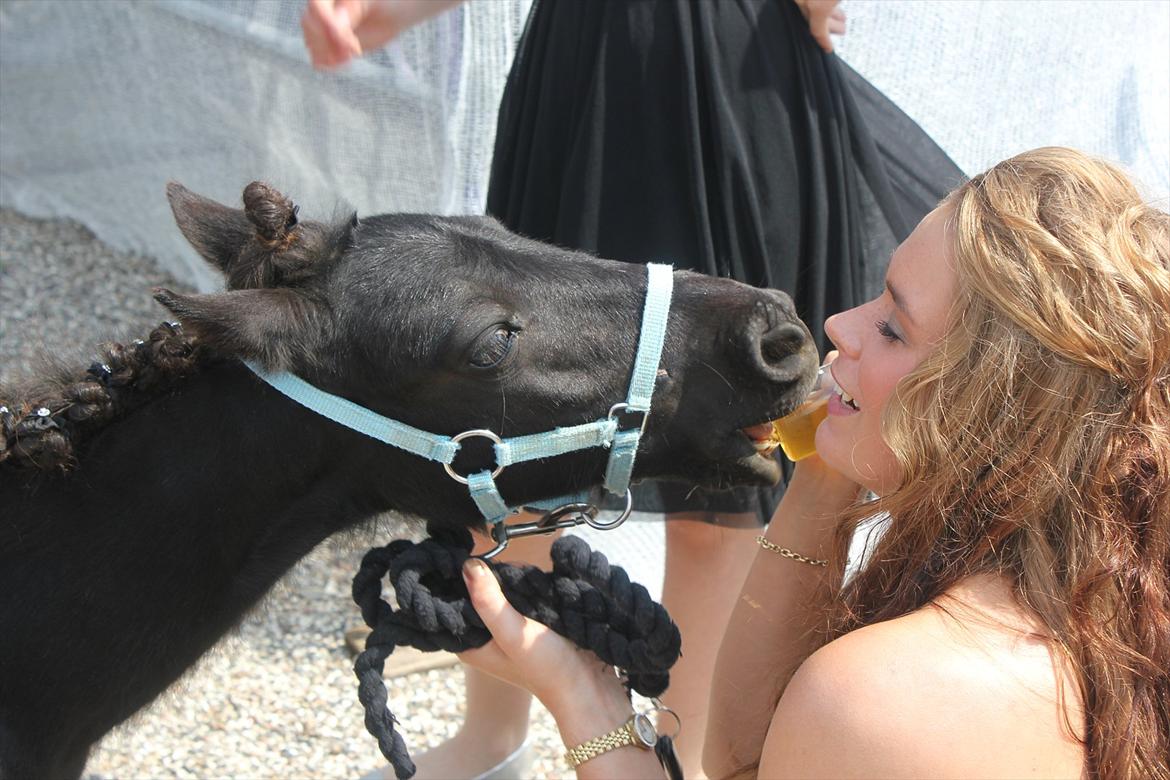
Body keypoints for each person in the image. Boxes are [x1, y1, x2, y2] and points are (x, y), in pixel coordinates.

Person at [303, 1, 962, 776]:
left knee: (731, 445)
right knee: (507, 400)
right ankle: (494, 741)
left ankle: (677, 761)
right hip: (599, 61)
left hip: (724, 69)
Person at [452, 148, 1170, 779]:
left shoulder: (886, 694)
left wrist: (581, 702)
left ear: (990, 413)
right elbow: (737, 758)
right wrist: (826, 468)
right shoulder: (1110, 612)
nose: (838, 327)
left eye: (891, 326)